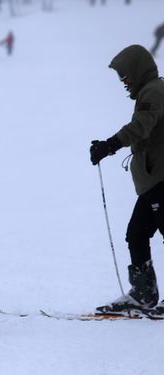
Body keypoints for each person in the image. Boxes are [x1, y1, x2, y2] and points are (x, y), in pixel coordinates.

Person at [90, 45, 164, 316]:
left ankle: (144, 294)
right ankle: (143, 294)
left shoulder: (154, 92)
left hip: (161, 179)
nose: (123, 81)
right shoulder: (151, 91)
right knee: (136, 233)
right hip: (153, 182)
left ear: (137, 69)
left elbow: (141, 126)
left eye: (125, 75)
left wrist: (110, 145)